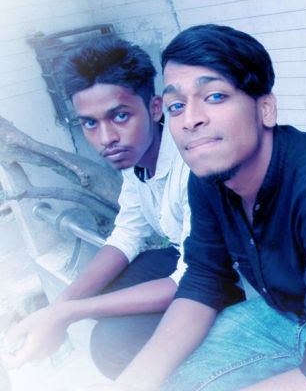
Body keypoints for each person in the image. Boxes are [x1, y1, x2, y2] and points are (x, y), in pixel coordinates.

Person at [107, 24, 306, 391]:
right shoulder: (209, 177)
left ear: (265, 108)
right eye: (176, 106)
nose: (190, 119)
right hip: (292, 318)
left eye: (214, 96)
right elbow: (204, 280)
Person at [2, 37, 191, 379]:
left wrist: (67, 314)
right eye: (90, 123)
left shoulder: (191, 165)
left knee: (110, 346)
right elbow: (127, 234)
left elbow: (195, 278)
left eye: (120, 116)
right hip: (183, 256)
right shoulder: (136, 158)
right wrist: (58, 309)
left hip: (235, 278)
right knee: (99, 296)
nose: (106, 138)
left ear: (155, 108)